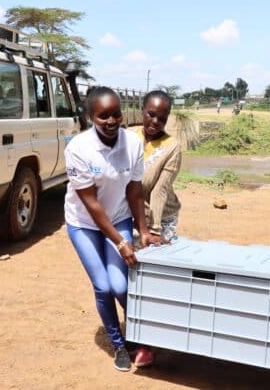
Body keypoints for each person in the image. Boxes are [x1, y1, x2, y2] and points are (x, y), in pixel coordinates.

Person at [64, 86, 158, 372]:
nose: (111, 120)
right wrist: (120, 242)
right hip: (84, 224)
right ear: (91, 116)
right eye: (103, 116)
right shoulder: (78, 149)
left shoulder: (133, 143)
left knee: (120, 285)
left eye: (116, 114)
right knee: (104, 286)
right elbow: (91, 204)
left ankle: (142, 334)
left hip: (118, 217)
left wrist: (142, 230)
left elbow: (134, 191)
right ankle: (119, 344)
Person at [137, 90, 182, 242]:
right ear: (142, 110)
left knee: (155, 258)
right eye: (151, 114)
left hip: (162, 216)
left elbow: (159, 190)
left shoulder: (172, 147)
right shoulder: (130, 137)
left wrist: (155, 230)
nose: (156, 121)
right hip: (135, 212)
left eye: (162, 118)